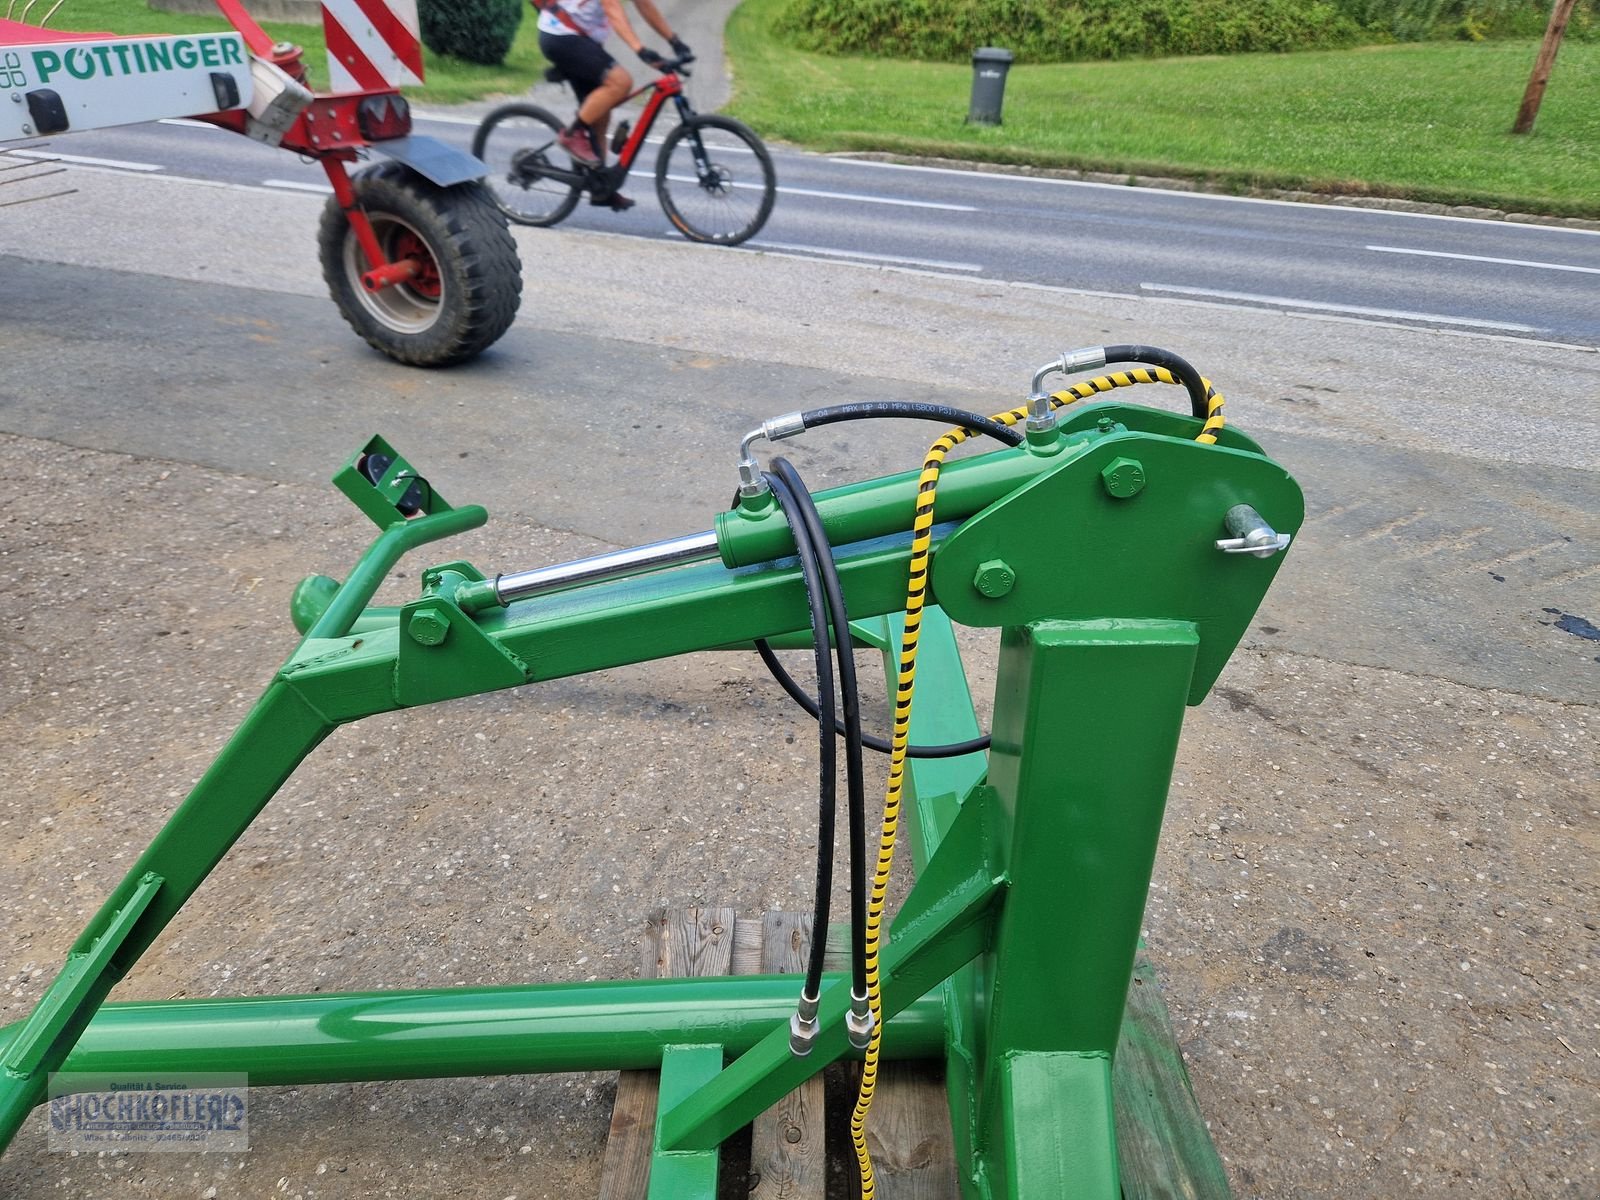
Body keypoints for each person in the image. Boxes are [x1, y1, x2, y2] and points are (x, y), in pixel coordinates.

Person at [536, 0, 691, 211]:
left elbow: (644, 4)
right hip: (561, 36)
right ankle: (573, 135)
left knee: (601, 115)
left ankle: (601, 186)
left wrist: (674, 41)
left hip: (580, 39)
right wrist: (641, 50)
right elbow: (614, 11)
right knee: (620, 82)